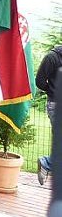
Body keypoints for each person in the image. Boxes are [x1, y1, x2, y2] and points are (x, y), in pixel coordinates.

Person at [35, 44, 62, 185]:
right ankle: (47, 162)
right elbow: (39, 81)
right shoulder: (52, 58)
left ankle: (48, 163)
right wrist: (53, 91)